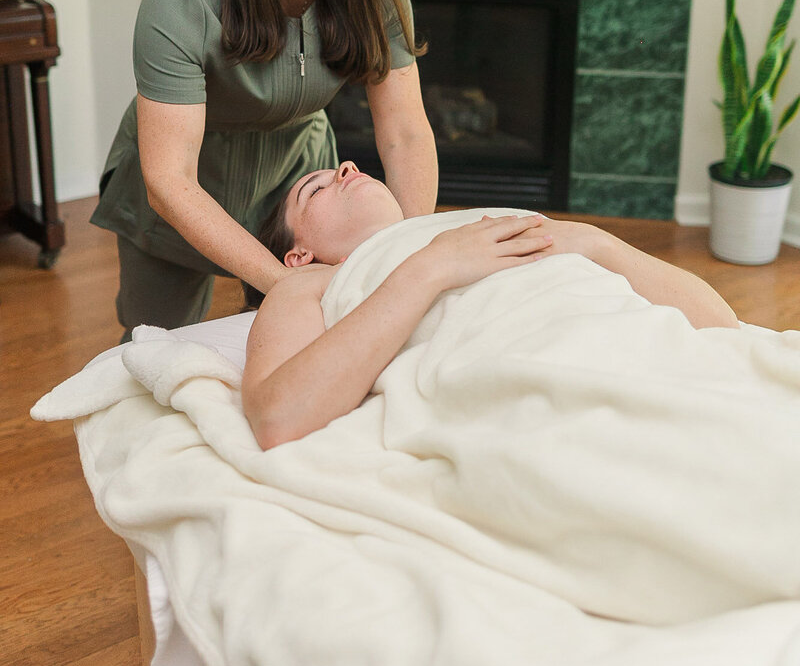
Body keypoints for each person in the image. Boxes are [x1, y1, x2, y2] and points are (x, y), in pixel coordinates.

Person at [91, 0, 438, 339]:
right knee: (151, 346)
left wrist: (409, 259)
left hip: (298, 182)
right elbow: (169, 180)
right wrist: (286, 285)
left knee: (315, 338)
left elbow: (405, 134)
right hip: (182, 183)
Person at [242, 161, 739, 451]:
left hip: (645, 352)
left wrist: (593, 241)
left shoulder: (474, 220)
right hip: (544, 390)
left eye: (342, 167)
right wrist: (431, 268)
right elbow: (277, 419)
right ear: (298, 253)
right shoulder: (311, 283)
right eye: (316, 187)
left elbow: (723, 326)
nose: (347, 167)